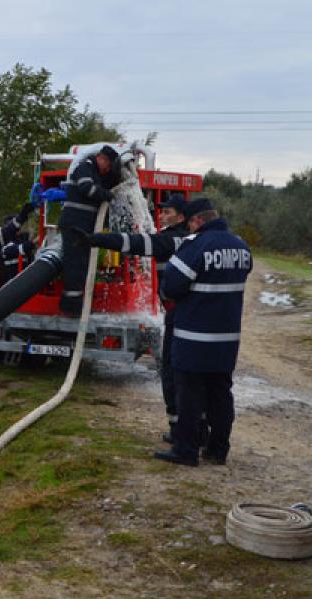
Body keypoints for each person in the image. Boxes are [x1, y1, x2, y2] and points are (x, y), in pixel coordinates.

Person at [74, 193, 190, 441]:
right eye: (161, 211)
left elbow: (134, 243)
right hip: (187, 313)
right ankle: (194, 431)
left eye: (167, 212)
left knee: (173, 373)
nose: (161, 216)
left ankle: (181, 432)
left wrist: (96, 239)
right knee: (189, 376)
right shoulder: (189, 239)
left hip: (179, 315)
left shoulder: (170, 240)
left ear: (181, 217)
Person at [156, 197, 252, 467]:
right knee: (221, 393)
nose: (189, 227)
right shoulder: (241, 246)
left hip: (193, 337)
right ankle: (218, 450)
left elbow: (172, 286)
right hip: (227, 338)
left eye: (190, 223)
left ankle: (186, 450)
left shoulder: (196, 245)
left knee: (189, 393)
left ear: (198, 220)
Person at [57, 145, 122, 314]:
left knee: (82, 265)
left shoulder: (96, 173)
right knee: (75, 265)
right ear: (100, 158)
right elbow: (87, 188)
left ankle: (78, 304)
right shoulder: (85, 167)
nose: (107, 169)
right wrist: (107, 195)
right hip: (74, 224)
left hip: (83, 225)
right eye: (107, 165)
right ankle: (72, 307)